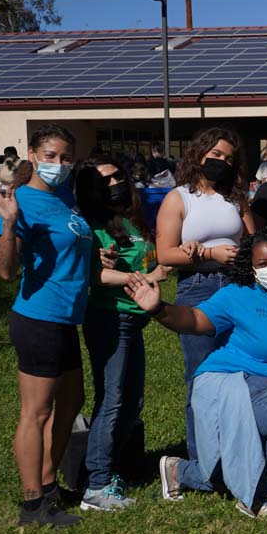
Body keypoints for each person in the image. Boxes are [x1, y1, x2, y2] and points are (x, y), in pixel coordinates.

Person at [128, 227, 267, 518]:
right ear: (251, 268)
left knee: (233, 470)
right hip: (231, 380)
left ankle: (179, 471)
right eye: (263, 264)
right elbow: (195, 319)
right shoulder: (237, 295)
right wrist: (159, 309)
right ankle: (256, 498)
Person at [0, 125, 95, 528]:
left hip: (66, 318)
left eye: (66, 158)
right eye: (50, 156)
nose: (58, 164)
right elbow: (5, 271)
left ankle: (49, 485)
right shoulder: (22, 201)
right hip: (38, 318)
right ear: (33, 155)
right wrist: (10, 225)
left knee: (72, 401)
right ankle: (33, 505)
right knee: (36, 411)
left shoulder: (64, 197)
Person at [154, 128, 255, 476]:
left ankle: (236, 455)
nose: (222, 163)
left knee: (240, 375)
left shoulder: (236, 198)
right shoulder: (178, 198)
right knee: (201, 376)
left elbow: (253, 242)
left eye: (228, 159)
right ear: (199, 155)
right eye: (216, 155)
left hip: (238, 287)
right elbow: (164, 253)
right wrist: (208, 253)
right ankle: (203, 463)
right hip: (198, 287)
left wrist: (243, 255)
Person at [74, 157, 169, 512]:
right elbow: (94, 276)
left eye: (118, 176)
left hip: (133, 319)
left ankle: (110, 469)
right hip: (109, 319)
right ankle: (96, 484)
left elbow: (143, 264)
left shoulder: (131, 219)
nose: (114, 183)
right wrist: (143, 279)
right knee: (111, 400)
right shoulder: (90, 224)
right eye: (105, 179)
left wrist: (160, 268)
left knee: (132, 401)